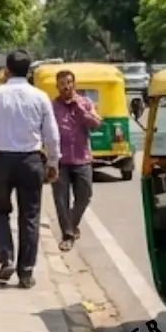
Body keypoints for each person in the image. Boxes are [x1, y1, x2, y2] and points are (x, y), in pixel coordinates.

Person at [0, 49, 61, 289]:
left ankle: (7, 258)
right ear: (29, 72)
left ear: (7, 71)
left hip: (2, 160)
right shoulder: (40, 97)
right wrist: (53, 162)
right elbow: (51, 135)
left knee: (0, 211)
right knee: (30, 216)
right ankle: (26, 271)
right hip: (31, 161)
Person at [51, 69, 102, 251]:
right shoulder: (52, 106)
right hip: (60, 160)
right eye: (63, 83)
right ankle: (67, 234)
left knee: (85, 195)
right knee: (60, 199)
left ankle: (72, 223)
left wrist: (82, 113)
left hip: (82, 159)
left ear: (75, 84)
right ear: (57, 86)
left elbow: (97, 124)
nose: (66, 86)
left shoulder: (85, 103)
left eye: (69, 82)